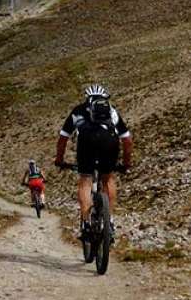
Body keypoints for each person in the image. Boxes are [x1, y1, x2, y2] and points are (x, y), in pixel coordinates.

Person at [54, 84, 133, 238]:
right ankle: (109, 221)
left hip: (86, 143)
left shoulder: (78, 111)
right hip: (109, 142)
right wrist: (126, 163)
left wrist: (59, 160)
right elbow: (127, 140)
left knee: (85, 181)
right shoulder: (112, 111)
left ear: (87, 98)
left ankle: (86, 223)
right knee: (108, 178)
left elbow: (63, 139)